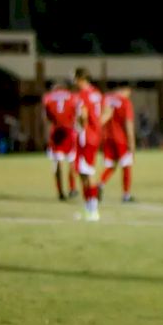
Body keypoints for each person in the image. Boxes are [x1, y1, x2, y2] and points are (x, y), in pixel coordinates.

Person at [73, 68, 103, 221]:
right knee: (83, 171)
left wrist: (80, 126)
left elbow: (83, 115)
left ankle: (93, 209)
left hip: (86, 136)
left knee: (88, 172)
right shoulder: (97, 93)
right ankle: (88, 207)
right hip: (95, 136)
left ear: (80, 78)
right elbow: (105, 113)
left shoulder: (83, 95)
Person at [98, 84, 136, 202]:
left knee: (111, 166)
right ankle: (126, 194)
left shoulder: (105, 98)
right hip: (120, 139)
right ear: (125, 89)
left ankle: (100, 184)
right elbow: (128, 123)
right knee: (126, 165)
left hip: (106, 138)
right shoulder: (125, 102)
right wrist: (132, 142)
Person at [42, 81, 78, 200]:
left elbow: (46, 117)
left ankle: (60, 191)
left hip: (56, 131)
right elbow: (77, 113)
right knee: (72, 161)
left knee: (57, 162)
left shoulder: (48, 97)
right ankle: (72, 188)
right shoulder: (73, 96)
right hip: (70, 131)